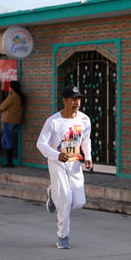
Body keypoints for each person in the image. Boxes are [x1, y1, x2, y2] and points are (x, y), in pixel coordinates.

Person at [36, 85, 93, 249]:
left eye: (79, 99)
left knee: (79, 202)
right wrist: (56, 155)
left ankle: (52, 193)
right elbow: (41, 144)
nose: (77, 102)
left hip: (74, 163)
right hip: (57, 163)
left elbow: (85, 140)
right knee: (66, 199)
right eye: (73, 99)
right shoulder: (53, 121)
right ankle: (62, 236)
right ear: (65, 101)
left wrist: (88, 157)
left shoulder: (84, 119)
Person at [0, 81, 26, 167]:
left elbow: (2, 106)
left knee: (8, 140)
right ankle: (9, 160)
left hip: (9, 120)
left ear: (12, 88)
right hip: (15, 120)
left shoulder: (13, 96)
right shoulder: (20, 96)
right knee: (5, 140)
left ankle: (9, 161)